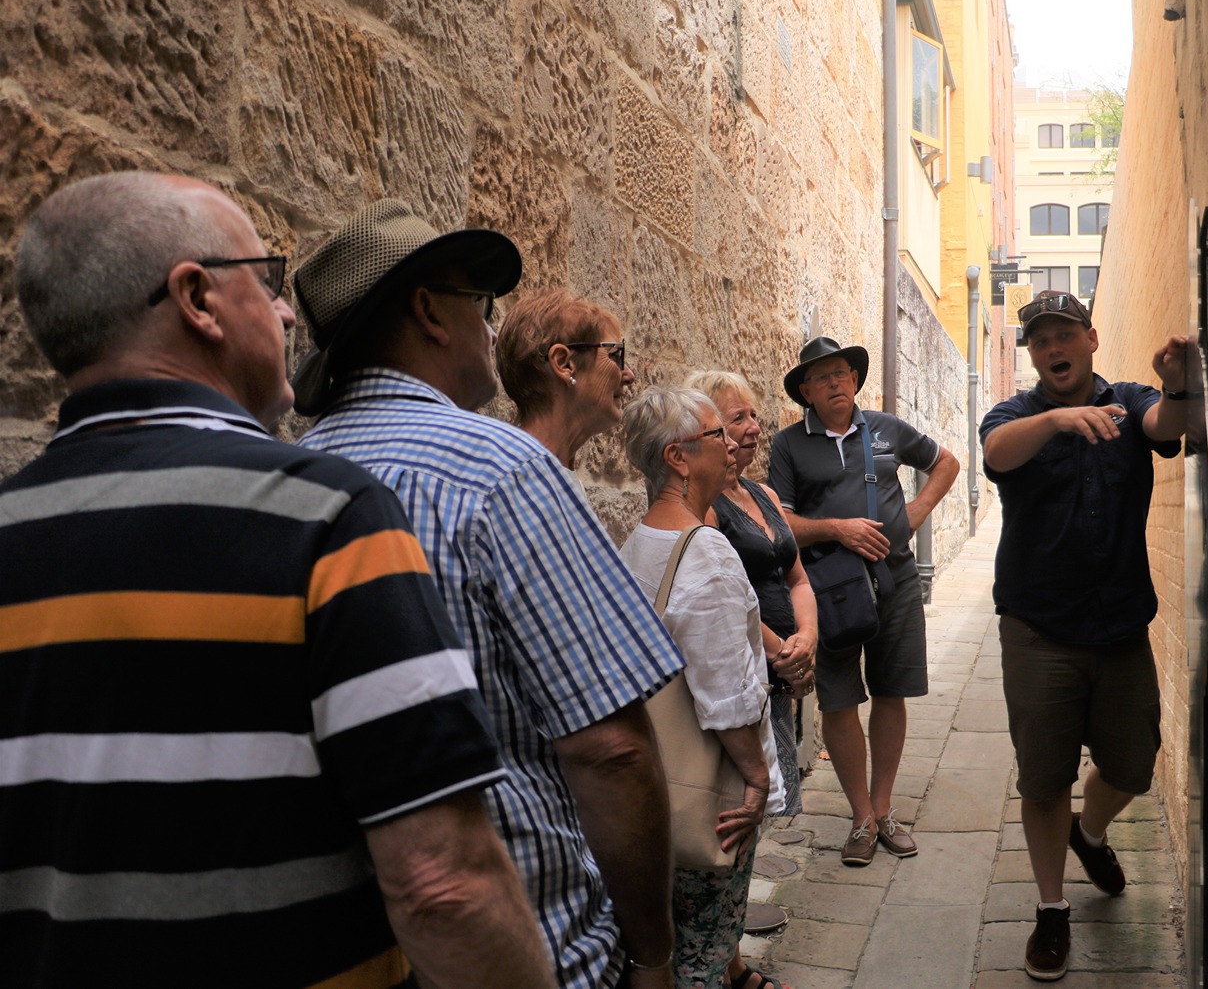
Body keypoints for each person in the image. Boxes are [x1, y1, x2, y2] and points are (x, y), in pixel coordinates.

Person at [0, 172, 553, 988]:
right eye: (264, 281)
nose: (288, 310)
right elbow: (443, 884)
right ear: (197, 298)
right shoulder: (327, 517)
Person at [292, 201, 684, 989]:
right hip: (530, 951)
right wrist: (653, 955)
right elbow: (610, 748)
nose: (490, 328)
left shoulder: (288, 475)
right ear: (429, 311)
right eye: (482, 305)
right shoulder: (500, 469)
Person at [979, 290, 1190, 982]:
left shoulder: (1129, 402)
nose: (1053, 348)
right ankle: (1049, 910)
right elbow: (996, 454)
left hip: (1121, 623)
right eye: (1040, 341)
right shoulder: (1016, 413)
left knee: (1132, 764)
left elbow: (1169, 423)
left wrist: (1180, 384)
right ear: (1033, 354)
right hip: (1039, 627)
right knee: (1044, 777)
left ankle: (1089, 832)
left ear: (1091, 339)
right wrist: (1061, 421)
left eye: (1064, 334)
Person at [617, 387, 787, 989]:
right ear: (678, 458)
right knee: (704, 953)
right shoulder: (706, 553)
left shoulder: (637, 544)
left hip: (648, 785)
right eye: (716, 434)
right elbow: (726, 692)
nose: (731, 446)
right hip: (707, 798)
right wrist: (759, 777)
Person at [767, 336, 960, 866]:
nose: (835, 383)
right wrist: (838, 528)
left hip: (894, 581)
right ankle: (859, 818)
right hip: (829, 588)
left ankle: (883, 809)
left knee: (891, 690)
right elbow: (778, 522)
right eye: (822, 377)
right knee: (839, 700)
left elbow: (946, 463)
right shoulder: (787, 445)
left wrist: (913, 516)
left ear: (855, 379)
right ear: (806, 391)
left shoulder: (887, 429)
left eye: (843, 373)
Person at [688, 369, 818, 815]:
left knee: (775, 799)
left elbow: (796, 577)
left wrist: (808, 636)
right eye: (737, 418)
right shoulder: (704, 509)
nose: (754, 428)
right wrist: (784, 651)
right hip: (751, 673)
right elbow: (723, 603)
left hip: (783, 668)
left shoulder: (762, 493)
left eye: (754, 416)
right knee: (747, 797)